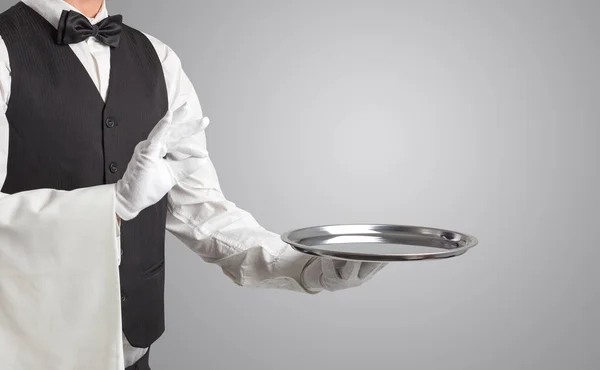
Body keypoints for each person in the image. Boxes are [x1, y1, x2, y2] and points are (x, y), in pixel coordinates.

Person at [0, 0, 387, 369]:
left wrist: (310, 266)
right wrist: (114, 206)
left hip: (135, 355)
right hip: (32, 351)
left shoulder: (159, 58)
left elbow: (203, 213)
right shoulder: (4, 47)